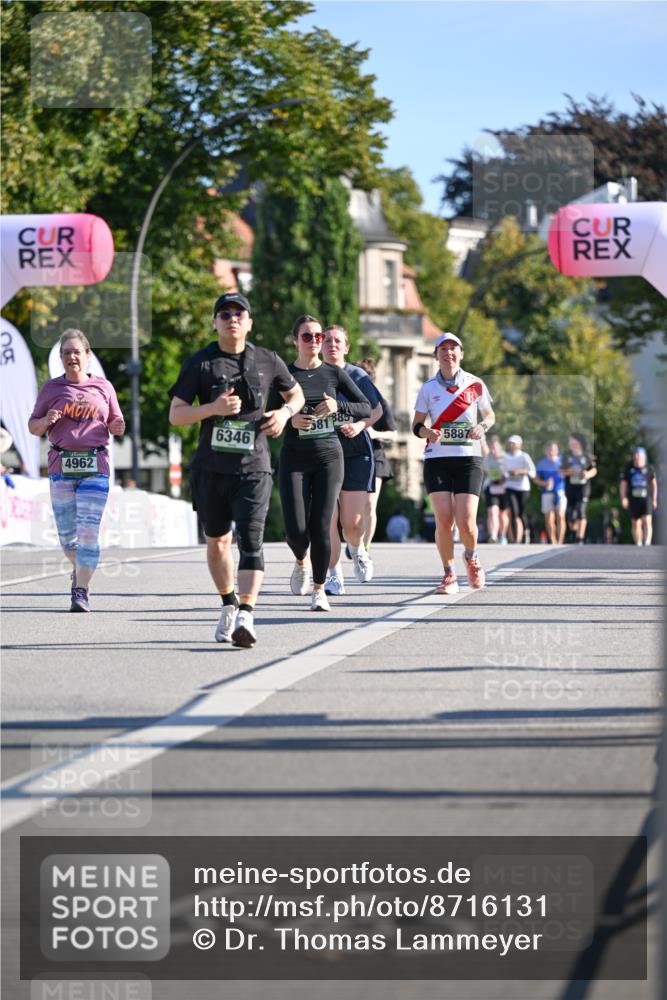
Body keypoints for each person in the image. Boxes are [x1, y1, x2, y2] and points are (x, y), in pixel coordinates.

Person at [168, 292, 304, 648]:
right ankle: (228, 602)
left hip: (254, 468)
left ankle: (246, 613)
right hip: (211, 469)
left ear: (249, 322)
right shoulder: (200, 363)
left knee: (251, 541)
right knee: (217, 543)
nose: (232, 319)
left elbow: (297, 395)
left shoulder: (267, 360)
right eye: (224, 314)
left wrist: (285, 414)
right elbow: (176, 414)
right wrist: (212, 408)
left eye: (239, 314)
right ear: (215, 322)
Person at [270, 315, 371, 612]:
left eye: (319, 337)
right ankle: (300, 561)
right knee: (295, 529)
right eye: (307, 337)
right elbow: (269, 416)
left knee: (322, 525)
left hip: (329, 456)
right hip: (294, 458)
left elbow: (365, 406)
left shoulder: (334, 373)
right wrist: (291, 419)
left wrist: (338, 405)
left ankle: (319, 589)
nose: (315, 341)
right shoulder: (283, 375)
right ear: (295, 341)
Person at [28, 329, 125, 612]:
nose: (72, 357)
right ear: (61, 358)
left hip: (96, 466)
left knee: (88, 534)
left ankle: (80, 590)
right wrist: (46, 419)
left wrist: (117, 426)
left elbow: (116, 419)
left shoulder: (103, 387)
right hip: (61, 467)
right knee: (68, 538)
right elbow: (33, 427)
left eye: (76, 352)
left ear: (87, 356)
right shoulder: (51, 389)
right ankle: (80, 570)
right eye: (66, 352)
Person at [412, 332, 495, 594]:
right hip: (437, 458)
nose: (449, 353)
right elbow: (416, 425)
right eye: (443, 349)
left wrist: (482, 426)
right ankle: (449, 574)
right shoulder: (428, 388)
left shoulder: (475, 384)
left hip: (468, 459)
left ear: (461, 354)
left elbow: (490, 415)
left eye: (453, 348)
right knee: (444, 520)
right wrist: (428, 433)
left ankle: (471, 556)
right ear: (436, 355)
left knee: (467, 520)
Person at [321, 326, 383, 594]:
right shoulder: (313, 375)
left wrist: (360, 426)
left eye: (338, 341)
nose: (332, 344)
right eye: (327, 340)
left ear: (346, 347)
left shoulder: (358, 376)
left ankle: (358, 550)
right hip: (323, 451)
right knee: (328, 519)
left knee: (352, 522)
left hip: (356, 451)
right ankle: (334, 574)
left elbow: (377, 409)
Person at [356, 357, 398, 554]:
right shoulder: (344, 400)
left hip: (375, 456)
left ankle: (365, 547)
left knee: (369, 505)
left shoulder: (380, 403)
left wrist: (374, 433)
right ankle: (354, 539)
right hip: (352, 457)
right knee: (352, 507)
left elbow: (393, 433)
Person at [562, 433, 597, 544]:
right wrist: (569, 472)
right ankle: (574, 531)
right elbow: (560, 471)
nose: (571, 444)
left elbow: (594, 470)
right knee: (571, 515)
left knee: (581, 511)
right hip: (570, 487)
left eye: (573, 441)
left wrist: (587, 474)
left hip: (583, 488)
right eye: (570, 442)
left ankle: (579, 538)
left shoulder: (587, 456)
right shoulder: (566, 456)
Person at [620, 447, 658, 545]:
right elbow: (623, 484)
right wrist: (623, 497)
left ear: (643, 457)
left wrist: (654, 499)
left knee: (647, 520)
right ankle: (638, 543)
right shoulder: (629, 468)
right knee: (636, 522)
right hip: (633, 499)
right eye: (635, 455)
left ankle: (647, 542)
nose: (636, 457)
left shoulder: (649, 468)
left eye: (639, 455)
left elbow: (654, 484)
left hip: (646, 498)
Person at [503, 434, 536, 543]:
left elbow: (532, 472)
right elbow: (503, 471)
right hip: (510, 487)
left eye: (514, 443)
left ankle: (526, 533)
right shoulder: (505, 456)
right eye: (510, 443)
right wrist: (508, 473)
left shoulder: (524, 456)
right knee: (514, 512)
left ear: (519, 445)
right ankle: (517, 538)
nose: (511, 445)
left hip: (523, 488)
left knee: (521, 513)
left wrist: (520, 471)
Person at [535, 441, 567, 545]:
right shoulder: (542, 463)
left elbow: (571, 472)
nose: (551, 451)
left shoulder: (562, 461)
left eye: (553, 449)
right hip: (547, 492)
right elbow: (536, 479)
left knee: (561, 516)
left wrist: (565, 472)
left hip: (560, 491)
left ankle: (560, 541)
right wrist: (544, 483)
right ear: (546, 450)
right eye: (549, 449)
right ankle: (553, 541)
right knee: (549, 519)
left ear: (557, 450)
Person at [482, 434, 509, 543]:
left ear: (500, 448)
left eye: (496, 447)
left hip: (504, 488)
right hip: (491, 487)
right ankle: (493, 536)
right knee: (492, 512)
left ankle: (503, 535)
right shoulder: (487, 459)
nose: (494, 450)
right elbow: (485, 470)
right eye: (492, 447)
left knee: (502, 514)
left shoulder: (506, 457)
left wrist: (504, 476)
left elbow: (511, 472)